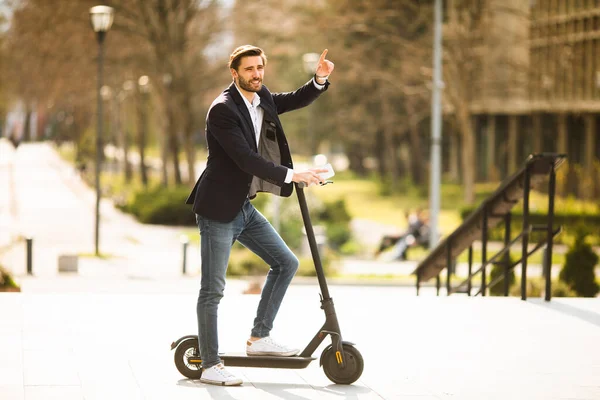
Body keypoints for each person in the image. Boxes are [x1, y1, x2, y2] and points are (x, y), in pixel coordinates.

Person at [185, 45, 334, 386]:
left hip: (243, 206)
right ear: (233, 72)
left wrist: (320, 79)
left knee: (286, 263)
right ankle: (209, 364)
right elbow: (245, 159)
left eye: (259, 68)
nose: (256, 74)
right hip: (217, 209)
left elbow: (292, 100)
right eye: (249, 69)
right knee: (213, 290)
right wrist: (292, 174)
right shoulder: (222, 110)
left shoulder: (260, 96)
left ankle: (259, 338)